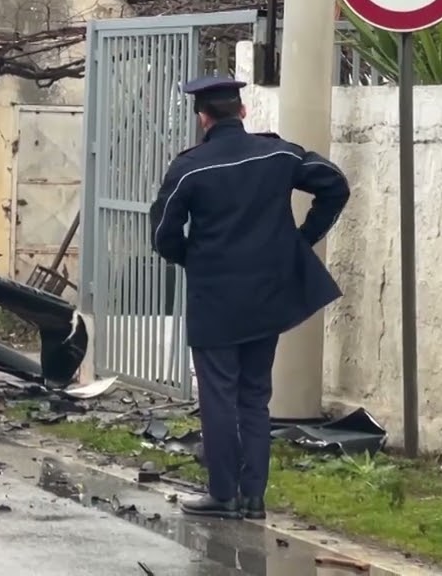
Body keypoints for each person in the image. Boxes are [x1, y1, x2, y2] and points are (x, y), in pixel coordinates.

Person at [149, 76, 350, 521]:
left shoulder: (190, 168)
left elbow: (163, 233)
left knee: (219, 396)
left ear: (203, 118)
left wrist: (191, 258)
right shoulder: (278, 154)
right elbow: (335, 184)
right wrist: (303, 238)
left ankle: (224, 494)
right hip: (267, 296)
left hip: (215, 299)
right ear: (242, 112)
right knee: (255, 396)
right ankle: (254, 497)